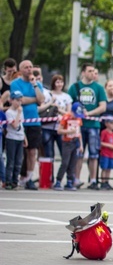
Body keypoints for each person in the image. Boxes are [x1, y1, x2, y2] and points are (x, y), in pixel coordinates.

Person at [68, 63, 107, 189]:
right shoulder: (75, 87)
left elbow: (103, 106)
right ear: (83, 72)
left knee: (94, 154)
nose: (92, 73)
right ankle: (76, 179)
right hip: (78, 125)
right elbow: (69, 104)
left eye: (93, 71)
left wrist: (88, 113)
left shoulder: (99, 88)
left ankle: (93, 180)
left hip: (93, 124)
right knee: (79, 153)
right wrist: (76, 114)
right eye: (89, 71)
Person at [10, 60, 44, 190]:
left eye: (30, 67)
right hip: (20, 121)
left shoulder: (37, 84)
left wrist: (34, 85)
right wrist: (33, 99)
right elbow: (20, 100)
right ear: (20, 69)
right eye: (26, 67)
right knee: (20, 152)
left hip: (34, 121)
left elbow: (41, 100)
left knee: (32, 151)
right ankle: (16, 177)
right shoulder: (16, 83)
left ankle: (29, 178)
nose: (29, 69)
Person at [53, 102, 85, 191]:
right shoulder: (66, 118)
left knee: (73, 163)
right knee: (65, 162)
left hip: (75, 142)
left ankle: (70, 181)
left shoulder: (79, 119)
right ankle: (58, 181)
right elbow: (59, 131)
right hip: (67, 143)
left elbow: (79, 133)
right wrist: (68, 132)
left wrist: (81, 144)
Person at [45, 74, 73, 160]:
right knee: (49, 153)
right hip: (48, 126)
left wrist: (59, 109)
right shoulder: (48, 94)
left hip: (61, 126)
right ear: (53, 83)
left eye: (61, 82)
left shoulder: (66, 97)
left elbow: (69, 113)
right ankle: (50, 173)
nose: (60, 84)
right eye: (57, 82)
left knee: (64, 152)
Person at [4, 91, 26, 190]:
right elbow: (15, 125)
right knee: (11, 161)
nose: (19, 103)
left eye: (20, 101)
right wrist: (18, 114)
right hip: (11, 138)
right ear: (11, 100)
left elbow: (21, 126)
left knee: (18, 161)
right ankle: (8, 181)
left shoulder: (20, 111)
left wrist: (25, 137)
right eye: (17, 100)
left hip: (20, 138)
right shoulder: (9, 112)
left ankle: (15, 181)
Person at [98, 119, 113, 190]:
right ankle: (103, 182)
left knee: (109, 169)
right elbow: (100, 142)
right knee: (104, 168)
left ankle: (107, 181)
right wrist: (109, 145)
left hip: (111, 154)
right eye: (111, 123)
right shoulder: (104, 132)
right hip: (105, 153)